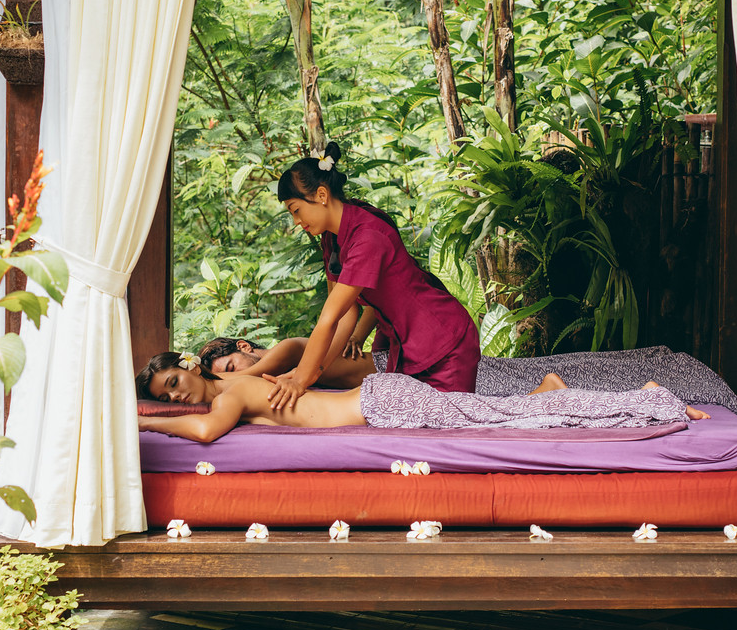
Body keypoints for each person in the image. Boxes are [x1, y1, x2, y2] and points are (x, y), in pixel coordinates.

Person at [264, 142, 479, 409]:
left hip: (442, 342)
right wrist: (309, 373)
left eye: (296, 210)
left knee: (455, 424)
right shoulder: (332, 238)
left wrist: (301, 380)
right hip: (405, 346)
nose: (296, 222)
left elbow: (329, 318)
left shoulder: (366, 237)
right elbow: (345, 315)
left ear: (321, 195)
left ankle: (542, 394)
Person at [135, 352, 706, 444]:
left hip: (388, 404)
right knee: (502, 416)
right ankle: (558, 392)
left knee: (503, 421)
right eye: (167, 396)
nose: (177, 394)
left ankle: (646, 397)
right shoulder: (238, 390)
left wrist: (146, 424)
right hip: (385, 398)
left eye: (174, 384)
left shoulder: (227, 392)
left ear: (188, 367)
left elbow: (209, 431)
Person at [199, 331, 375, 389]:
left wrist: (199, 379)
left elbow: (247, 376)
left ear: (244, 346)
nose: (235, 375)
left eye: (231, 368)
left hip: (388, 368)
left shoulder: (288, 348)